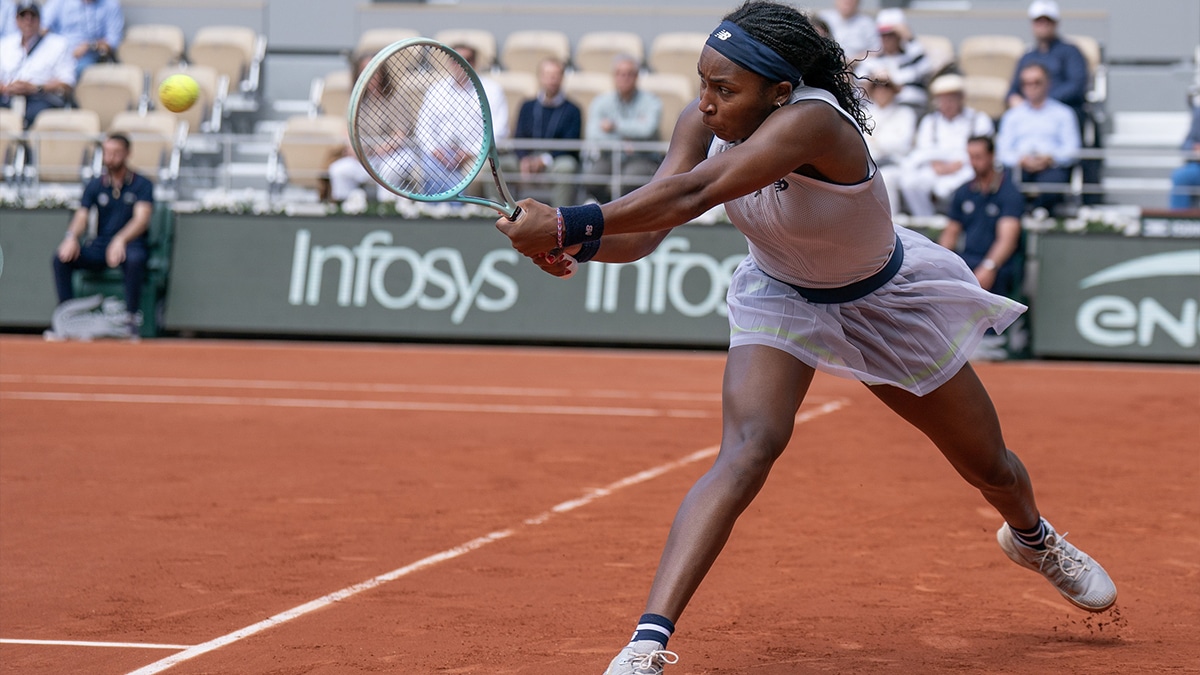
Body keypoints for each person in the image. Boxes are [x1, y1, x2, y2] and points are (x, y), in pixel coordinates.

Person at [494, 3, 1117, 673]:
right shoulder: (702, 119)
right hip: (781, 293)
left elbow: (692, 195)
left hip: (883, 301)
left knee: (990, 464)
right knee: (749, 447)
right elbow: (647, 230)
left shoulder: (815, 122)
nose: (704, 103)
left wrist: (568, 221)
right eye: (702, 82)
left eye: (724, 89)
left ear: (780, 92)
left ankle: (1034, 536)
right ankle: (646, 641)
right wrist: (578, 248)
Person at [52, 132, 153, 334]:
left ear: (127, 154)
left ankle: (130, 320)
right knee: (61, 258)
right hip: (100, 246)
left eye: (116, 153)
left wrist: (120, 239)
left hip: (131, 243)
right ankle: (70, 317)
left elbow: (141, 219)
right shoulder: (95, 185)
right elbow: (82, 215)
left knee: (134, 259)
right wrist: (71, 238)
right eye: (107, 152)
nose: (110, 157)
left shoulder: (142, 184)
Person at [1006, 0, 1099, 204]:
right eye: (1038, 21)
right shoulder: (1028, 55)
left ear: (1055, 23)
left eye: (1047, 21)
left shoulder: (1070, 51)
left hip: (1062, 114)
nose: (1042, 25)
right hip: (1029, 117)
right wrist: (1020, 100)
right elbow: (1013, 88)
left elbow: (1076, 85)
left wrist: (1042, 101)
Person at [898, 73, 995, 217]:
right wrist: (935, 164)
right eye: (942, 100)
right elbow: (923, 151)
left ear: (961, 98)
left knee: (962, 183)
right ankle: (926, 221)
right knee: (909, 182)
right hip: (936, 169)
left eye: (951, 99)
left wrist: (956, 165)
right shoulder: (930, 121)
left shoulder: (979, 119)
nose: (947, 104)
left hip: (966, 168)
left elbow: (984, 153)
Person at [941, 136, 1025, 300]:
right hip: (968, 260)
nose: (973, 162)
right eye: (971, 157)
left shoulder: (1009, 192)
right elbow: (951, 231)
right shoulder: (964, 191)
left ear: (991, 156)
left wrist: (989, 267)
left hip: (999, 265)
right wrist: (941, 262)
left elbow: (1007, 239)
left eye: (978, 157)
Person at [996, 63, 1080, 214]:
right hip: (1020, 167)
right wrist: (1020, 160)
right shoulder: (1012, 116)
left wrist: (1050, 158)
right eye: (1027, 83)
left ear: (1048, 83)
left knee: (1053, 183)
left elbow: (1072, 149)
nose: (1032, 87)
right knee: (1008, 183)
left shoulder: (1064, 113)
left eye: (1037, 82)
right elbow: (1003, 151)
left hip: (1052, 167)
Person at [582, 53, 663, 203]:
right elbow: (593, 134)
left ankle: (623, 216)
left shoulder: (652, 101)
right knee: (591, 179)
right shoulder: (601, 101)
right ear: (613, 76)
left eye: (629, 74)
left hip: (641, 157)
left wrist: (614, 126)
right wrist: (623, 140)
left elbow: (647, 129)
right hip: (609, 155)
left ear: (637, 76)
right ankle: (606, 211)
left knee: (628, 181)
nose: (624, 77)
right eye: (620, 74)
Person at [503, 57, 582, 207]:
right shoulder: (527, 106)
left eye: (556, 75)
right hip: (525, 160)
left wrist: (543, 160)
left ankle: (561, 217)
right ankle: (499, 214)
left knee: (567, 167)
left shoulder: (573, 110)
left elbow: (571, 145)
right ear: (540, 77)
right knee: (495, 167)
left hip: (554, 162)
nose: (551, 79)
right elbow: (518, 137)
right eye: (547, 74)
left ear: (562, 77)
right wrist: (524, 159)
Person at [0, 0, 75, 128]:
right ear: (17, 20)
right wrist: (6, 88)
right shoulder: (5, 44)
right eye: (23, 16)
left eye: (32, 16)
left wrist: (36, 88)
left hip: (41, 98)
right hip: (8, 96)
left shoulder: (58, 44)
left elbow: (66, 83)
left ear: (40, 19)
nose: (28, 21)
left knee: (32, 116)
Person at [854, 8, 934, 109]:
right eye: (883, 35)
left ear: (900, 35)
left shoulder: (913, 58)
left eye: (891, 34)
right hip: (878, 113)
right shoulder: (871, 61)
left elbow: (927, 69)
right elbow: (860, 93)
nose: (886, 39)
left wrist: (910, 39)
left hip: (910, 110)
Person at [860, 72, 915, 217]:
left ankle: (892, 223)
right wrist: (883, 143)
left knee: (887, 178)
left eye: (886, 87)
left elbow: (903, 145)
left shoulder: (905, 113)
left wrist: (876, 141)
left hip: (896, 163)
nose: (881, 91)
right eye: (877, 87)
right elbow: (862, 143)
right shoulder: (864, 113)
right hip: (869, 162)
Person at [40, 0, 124, 79]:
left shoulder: (110, 5)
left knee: (71, 73)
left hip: (86, 57)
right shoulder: (60, 2)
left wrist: (89, 45)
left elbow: (112, 43)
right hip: (57, 53)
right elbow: (41, 29)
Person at [1168, 102, 1200, 210]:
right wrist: (1194, 148)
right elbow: (1185, 144)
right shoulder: (1198, 113)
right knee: (1181, 176)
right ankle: (1178, 221)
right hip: (1197, 166)